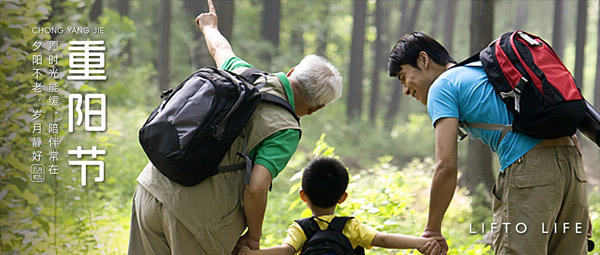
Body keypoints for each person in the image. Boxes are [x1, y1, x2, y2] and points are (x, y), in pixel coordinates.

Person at [127, 0, 343, 254]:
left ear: (292, 71)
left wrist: (208, 26)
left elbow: (220, 47)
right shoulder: (285, 130)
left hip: (151, 186)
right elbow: (256, 187)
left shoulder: (244, 73)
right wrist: (254, 236)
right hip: (195, 221)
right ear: (316, 108)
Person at [387, 31, 592, 255]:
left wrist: (432, 229)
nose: (406, 89)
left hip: (530, 173)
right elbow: (566, 127)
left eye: (403, 77)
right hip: (573, 170)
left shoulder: (442, 87)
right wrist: (578, 204)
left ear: (423, 60)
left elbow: (445, 165)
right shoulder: (487, 71)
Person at [236, 157, 443, 255]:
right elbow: (383, 239)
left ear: (303, 196)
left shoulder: (300, 228)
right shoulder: (351, 227)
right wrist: (420, 242)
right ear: (343, 197)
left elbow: (285, 251)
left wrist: (250, 254)